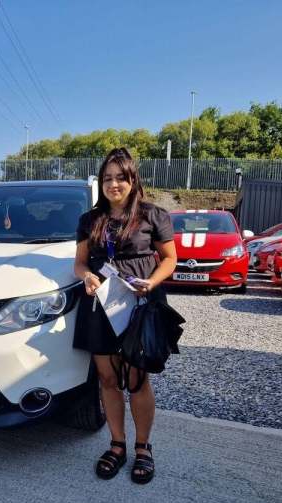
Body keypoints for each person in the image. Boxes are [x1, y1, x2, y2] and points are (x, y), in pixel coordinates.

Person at [73, 147, 177, 484]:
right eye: (107, 178)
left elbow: (170, 259)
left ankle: (143, 447)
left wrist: (152, 282)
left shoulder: (153, 215)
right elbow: (79, 264)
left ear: (133, 180)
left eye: (120, 177)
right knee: (106, 378)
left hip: (140, 305)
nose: (113, 184)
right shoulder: (89, 220)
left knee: (137, 379)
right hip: (101, 306)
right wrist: (87, 277)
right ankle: (116, 444)